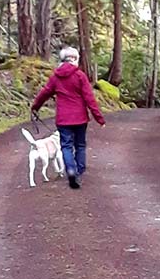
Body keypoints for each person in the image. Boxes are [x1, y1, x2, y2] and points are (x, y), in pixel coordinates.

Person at [31, 47, 105, 189]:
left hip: (63, 119)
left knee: (66, 146)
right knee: (80, 145)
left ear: (63, 60)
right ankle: (79, 171)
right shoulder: (80, 76)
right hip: (80, 118)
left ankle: (71, 171)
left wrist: (35, 107)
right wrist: (99, 118)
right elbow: (89, 98)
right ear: (75, 59)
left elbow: (44, 93)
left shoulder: (55, 76)